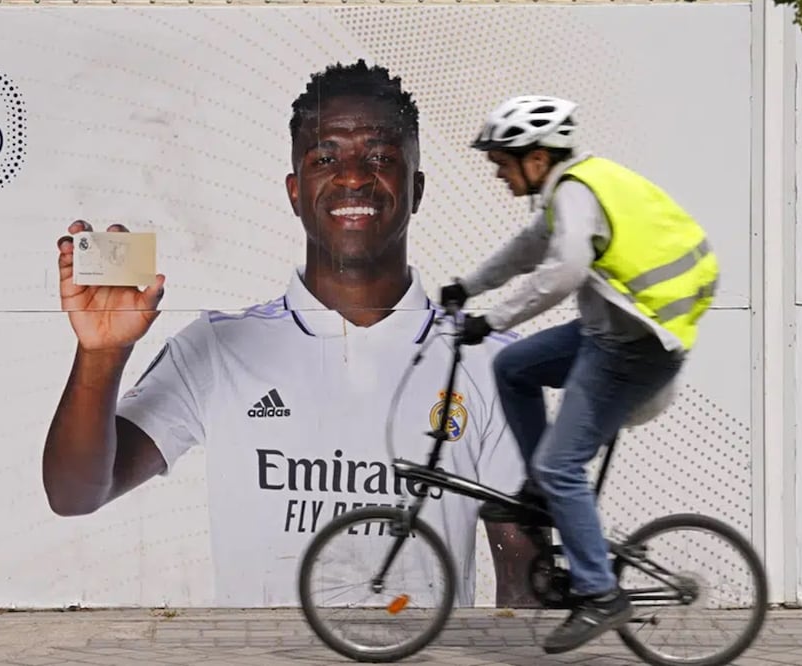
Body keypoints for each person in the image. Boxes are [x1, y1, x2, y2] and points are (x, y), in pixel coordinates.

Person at [44, 61, 540, 608]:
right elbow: (75, 494)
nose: (353, 176)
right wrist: (102, 355)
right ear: (295, 191)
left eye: (380, 157)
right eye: (326, 158)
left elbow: (526, 587)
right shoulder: (214, 348)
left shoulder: (491, 365)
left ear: (416, 188)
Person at [439, 95, 719, 653]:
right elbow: (526, 250)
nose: (498, 173)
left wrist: (490, 317)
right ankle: (541, 492)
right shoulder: (566, 192)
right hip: (606, 335)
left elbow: (562, 273)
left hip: (637, 348)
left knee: (561, 463)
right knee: (513, 365)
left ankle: (599, 593)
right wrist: (469, 286)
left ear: (537, 157)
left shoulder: (576, 194)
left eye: (503, 161)